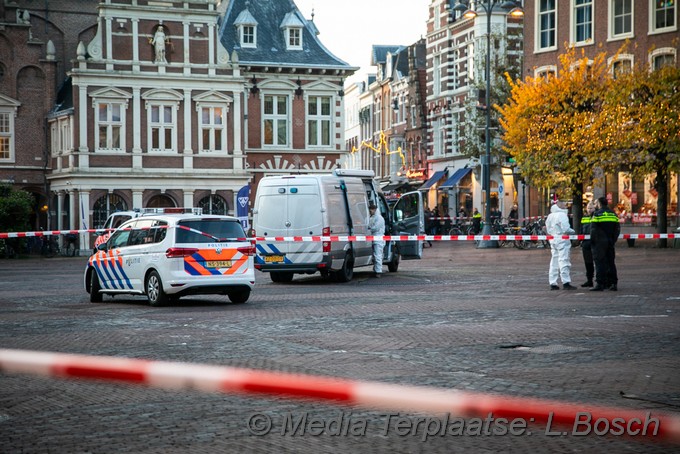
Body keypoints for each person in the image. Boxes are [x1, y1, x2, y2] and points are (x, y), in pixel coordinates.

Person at [590, 197, 621, 291]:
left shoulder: (597, 214)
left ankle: (600, 283)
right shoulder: (613, 214)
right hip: (610, 242)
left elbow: (593, 230)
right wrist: (613, 240)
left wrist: (593, 242)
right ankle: (613, 283)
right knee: (611, 263)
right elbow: (617, 229)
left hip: (599, 243)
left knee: (599, 263)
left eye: (596, 203)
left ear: (599, 204)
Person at [545, 200, 576, 290]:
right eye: (563, 204)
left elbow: (548, 228)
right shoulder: (562, 215)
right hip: (562, 239)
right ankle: (566, 282)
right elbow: (566, 229)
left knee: (554, 261)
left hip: (553, 239)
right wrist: (573, 232)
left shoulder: (550, 215)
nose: (565, 205)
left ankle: (553, 282)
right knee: (564, 260)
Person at [580, 201, 595, 287]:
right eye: (588, 208)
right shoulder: (584, 218)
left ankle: (601, 280)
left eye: (591, 208)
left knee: (598, 262)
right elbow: (581, 229)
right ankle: (589, 280)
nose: (589, 210)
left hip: (595, 243)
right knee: (588, 263)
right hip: (586, 244)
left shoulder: (596, 217)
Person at [368, 203, 385, 278]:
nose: (370, 211)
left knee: (378, 255)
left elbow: (375, 228)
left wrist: (369, 228)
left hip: (378, 238)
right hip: (375, 238)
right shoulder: (373, 217)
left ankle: (378, 271)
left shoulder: (379, 218)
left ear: (374, 209)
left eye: (371, 209)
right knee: (376, 255)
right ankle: (376, 270)